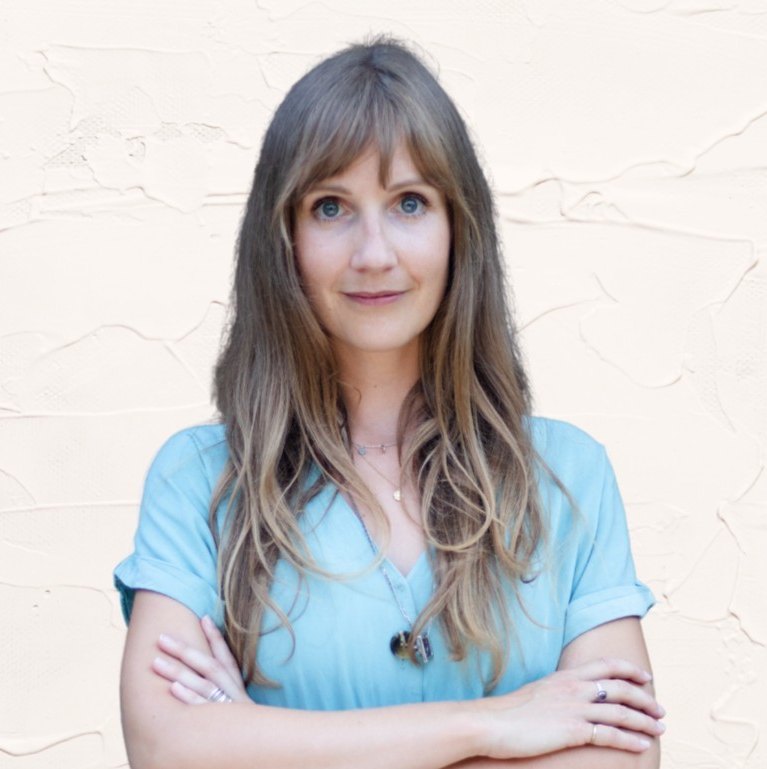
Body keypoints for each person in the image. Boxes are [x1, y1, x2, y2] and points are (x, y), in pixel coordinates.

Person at [114, 37, 664, 769]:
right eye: (331, 207)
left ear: (458, 227)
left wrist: (258, 740)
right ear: (283, 239)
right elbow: (167, 749)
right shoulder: (201, 481)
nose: (373, 253)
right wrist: (493, 724)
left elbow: (621, 759)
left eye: (409, 202)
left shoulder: (568, 477)